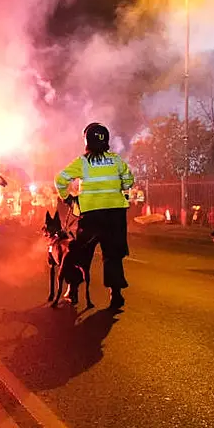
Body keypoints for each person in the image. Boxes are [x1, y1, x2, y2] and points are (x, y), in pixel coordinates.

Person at [54, 122, 134, 309]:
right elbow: (129, 180)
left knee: (80, 253)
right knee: (113, 255)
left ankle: (72, 291)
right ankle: (116, 294)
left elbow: (60, 180)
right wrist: (119, 188)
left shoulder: (82, 162)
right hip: (115, 215)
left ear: (87, 140)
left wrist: (68, 198)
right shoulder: (116, 160)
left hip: (90, 216)